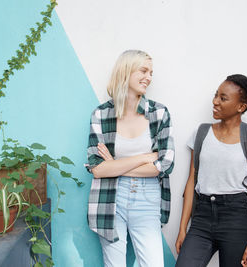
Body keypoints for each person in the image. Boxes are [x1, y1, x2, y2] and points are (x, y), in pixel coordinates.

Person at [85, 50, 175, 267]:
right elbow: (97, 169)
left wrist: (114, 166)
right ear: (126, 71)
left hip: (147, 197)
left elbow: (164, 164)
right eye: (143, 70)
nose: (149, 77)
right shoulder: (101, 114)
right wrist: (145, 157)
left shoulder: (159, 113)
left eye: (151, 72)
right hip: (109, 197)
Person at [175, 74, 247, 267]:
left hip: (237, 217)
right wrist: (183, 228)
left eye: (223, 98)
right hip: (201, 218)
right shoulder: (201, 133)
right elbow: (191, 181)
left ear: (241, 107)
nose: (215, 101)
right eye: (216, 95)